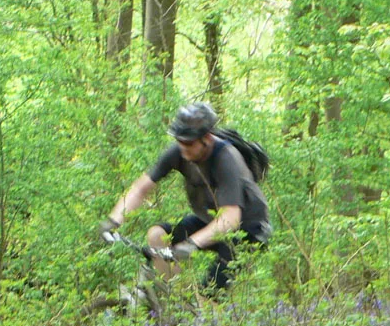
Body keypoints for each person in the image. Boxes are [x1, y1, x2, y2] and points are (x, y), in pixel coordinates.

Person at [101, 103, 271, 292]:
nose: (183, 148)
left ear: (206, 138)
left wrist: (191, 244)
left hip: (247, 231)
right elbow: (142, 188)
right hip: (211, 220)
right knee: (158, 235)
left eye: (189, 142)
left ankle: (204, 316)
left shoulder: (226, 158)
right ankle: (176, 301)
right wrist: (113, 221)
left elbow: (230, 218)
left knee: (211, 295)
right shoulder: (179, 151)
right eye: (179, 140)